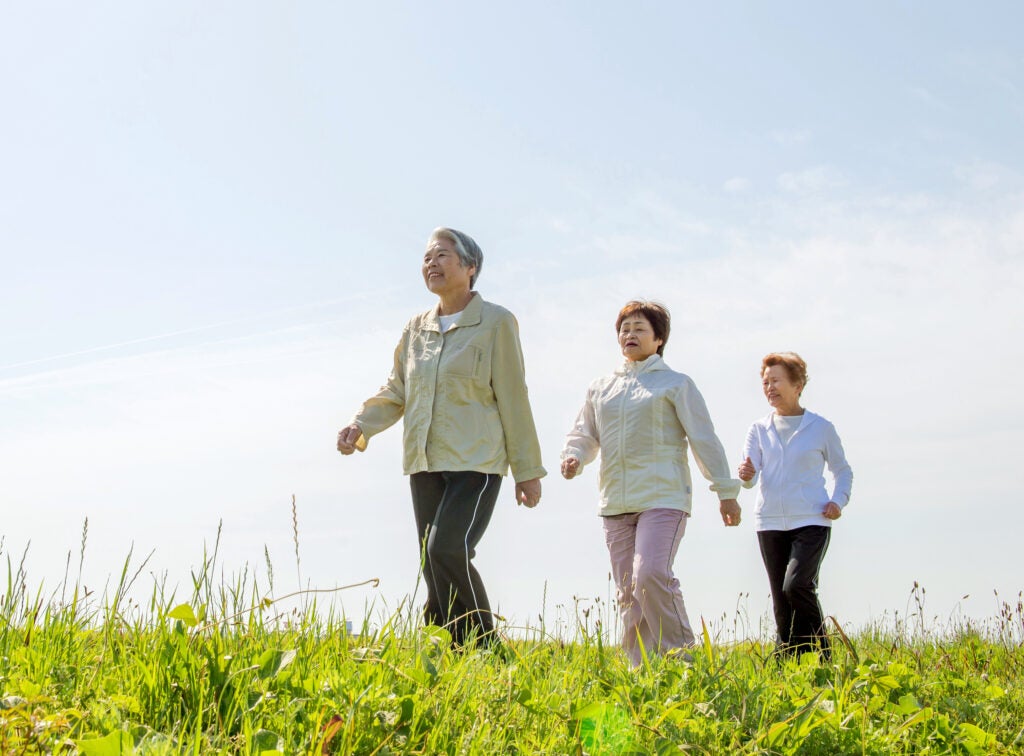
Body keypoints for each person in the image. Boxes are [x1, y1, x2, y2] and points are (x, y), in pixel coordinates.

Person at [337, 227, 546, 645]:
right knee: (433, 564)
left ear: (470, 268)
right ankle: (444, 651)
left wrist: (527, 470)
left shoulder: (496, 322)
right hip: (425, 461)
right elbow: (398, 389)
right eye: (427, 257)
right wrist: (361, 426)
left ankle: (487, 651)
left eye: (443, 255)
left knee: (446, 550)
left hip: (477, 462)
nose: (431, 263)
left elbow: (512, 394)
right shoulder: (416, 328)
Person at [560, 300, 742, 666]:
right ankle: (640, 669)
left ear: (658, 339)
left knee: (651, 574)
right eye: (624, 329)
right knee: (628, 591)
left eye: (639, 328)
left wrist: (726, 491)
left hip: (663, 496)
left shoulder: (676, 384)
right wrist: (575, 456)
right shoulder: (602, 387)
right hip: (615, 501)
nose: (630, 335)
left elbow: (703, 439)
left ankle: (683, 660)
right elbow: (585, 433)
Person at [738, 352, 852, 659]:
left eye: (776, 380)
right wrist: (746, 475)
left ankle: (822, 655)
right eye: (765, 382)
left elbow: (843, 471)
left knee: (797, 585)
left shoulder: (821, 427)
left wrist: (837, 501)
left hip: (812, 520)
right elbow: (750, 477)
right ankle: (788, 661)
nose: (769, 387)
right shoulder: (758, 429)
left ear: (797, 384)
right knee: (781, 600)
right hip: (770, 522)